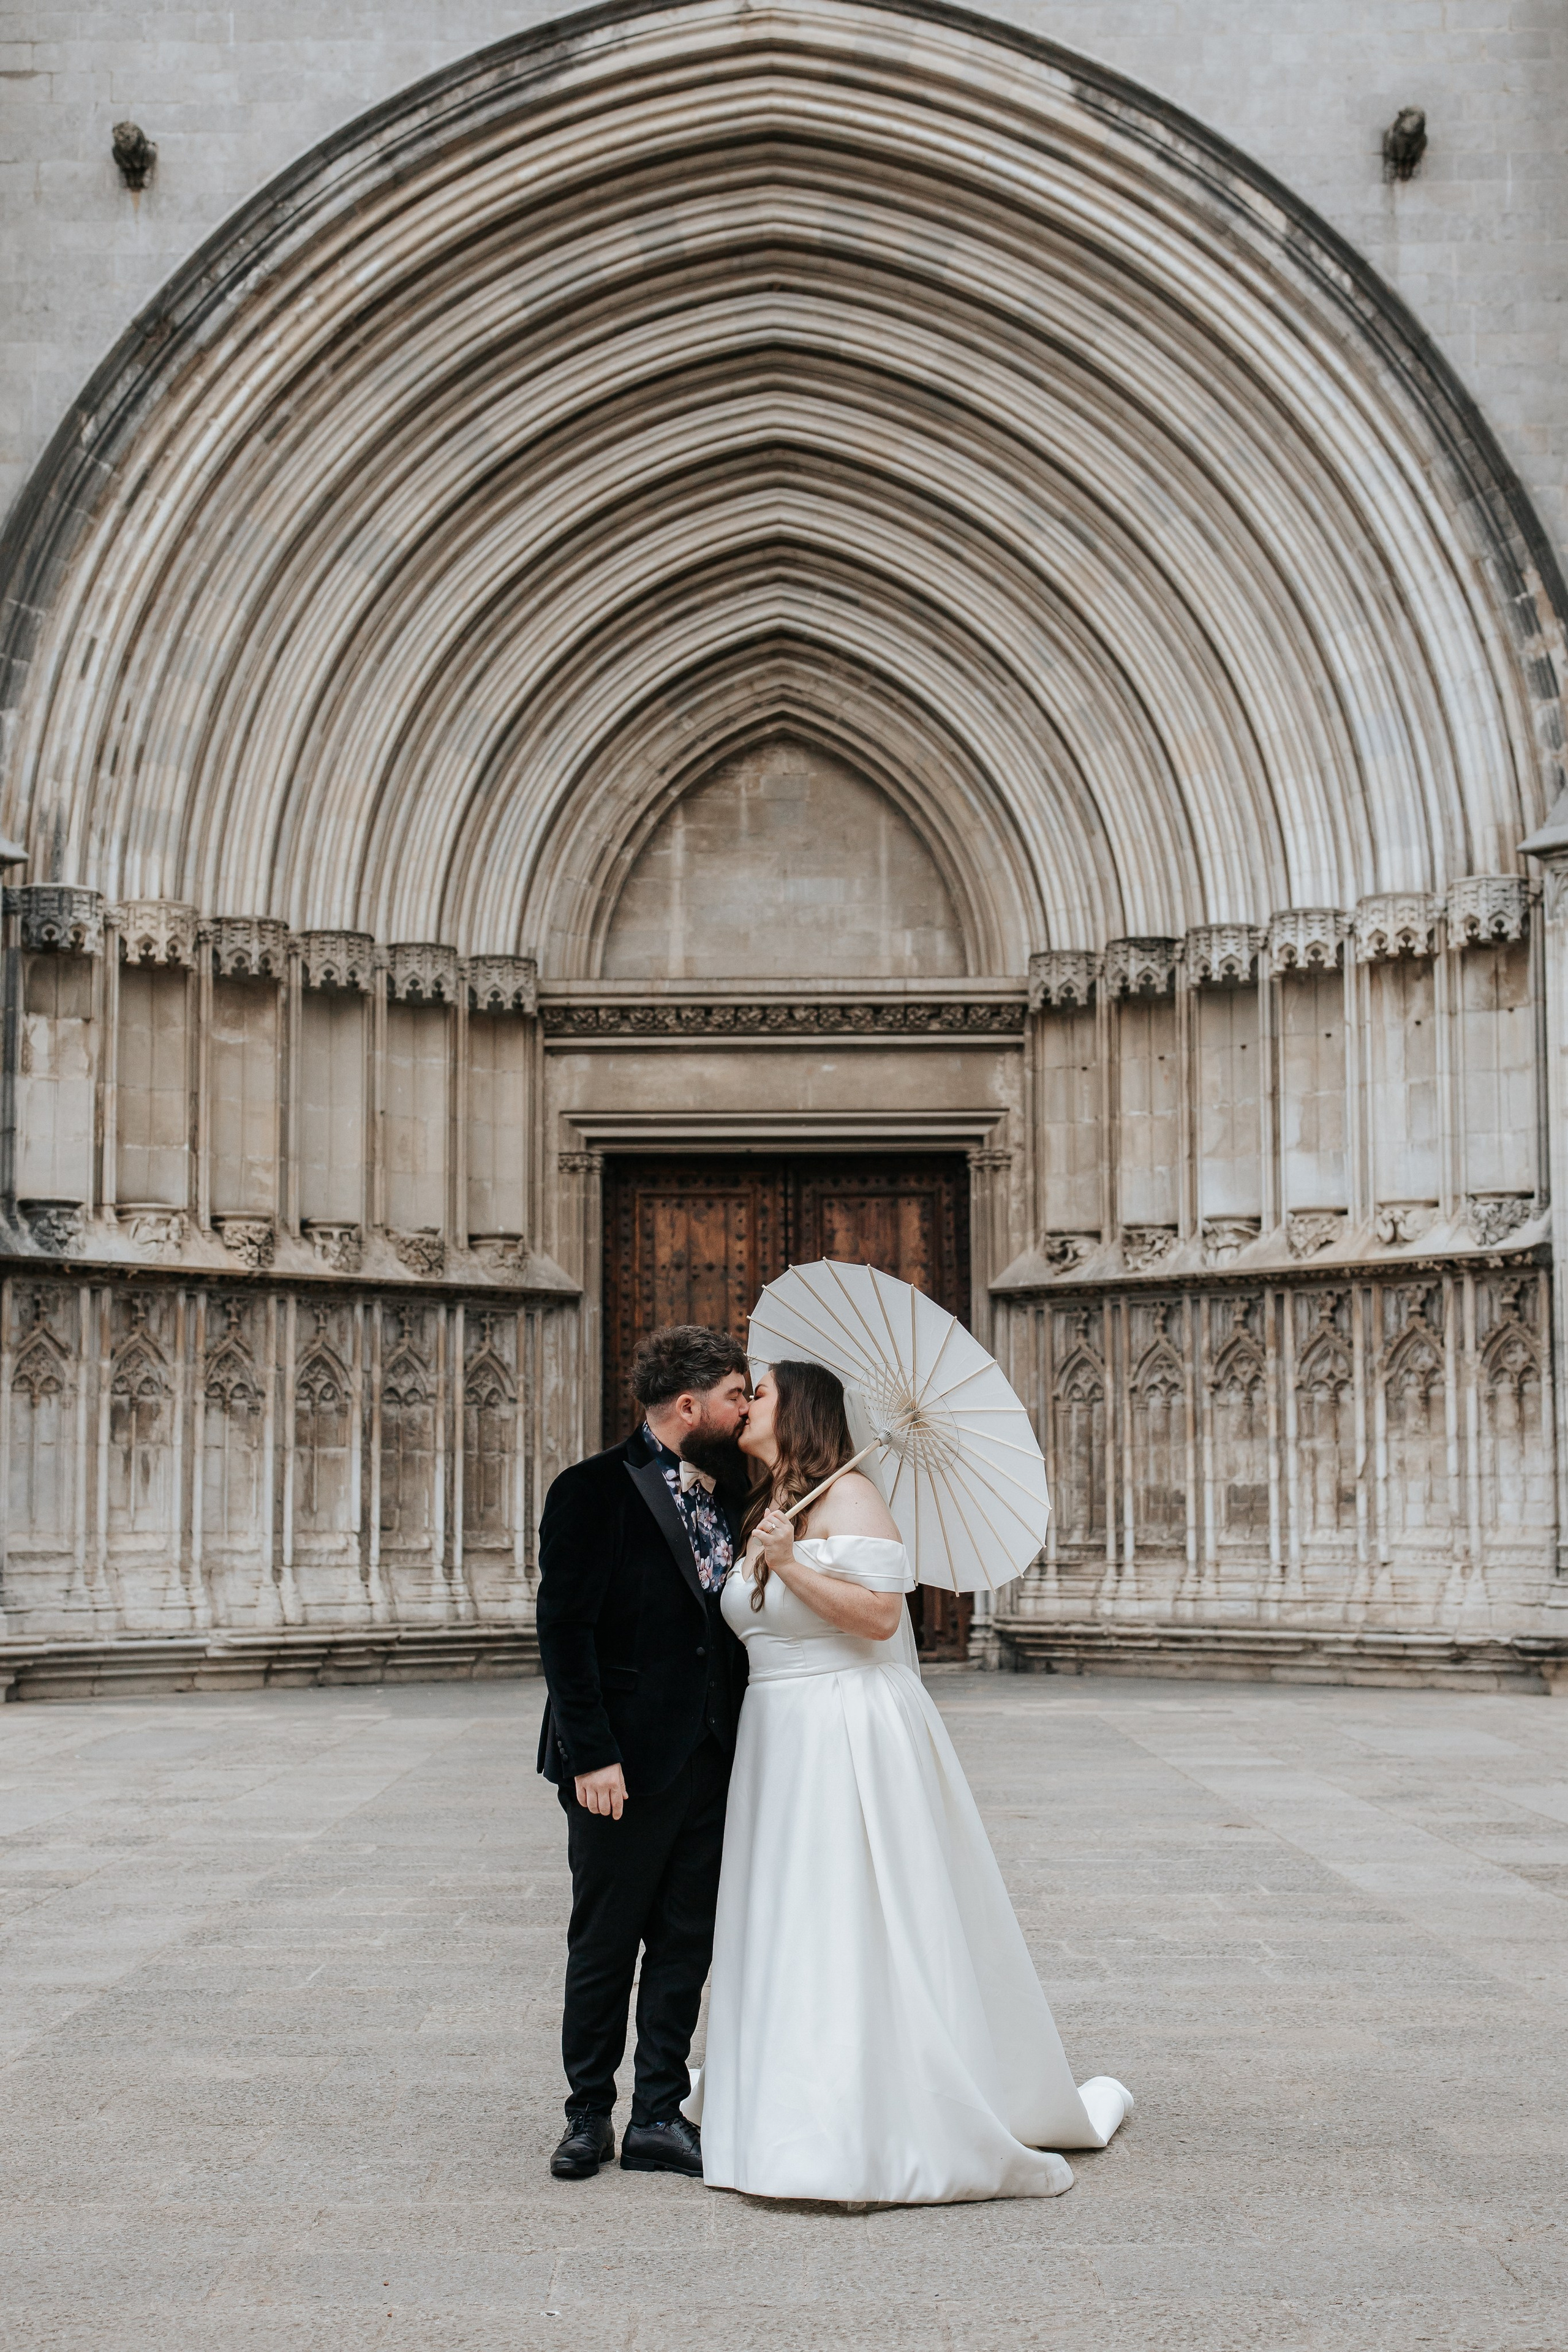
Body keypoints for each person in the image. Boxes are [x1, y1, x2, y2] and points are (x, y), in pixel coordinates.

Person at [685, 1357, 1133, 2203]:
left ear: (803, 1411)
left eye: (763, 1392)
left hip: (840, 1727)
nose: (745, 1403)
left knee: (846, 1908)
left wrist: (792, 1563)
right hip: (778, 1737)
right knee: (791, 1911)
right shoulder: (771, 1505)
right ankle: (789, 2095)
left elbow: (881, 1616)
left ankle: (868, 2114)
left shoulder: (850, 1500)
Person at [536, 1323, 752, 2181]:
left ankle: (659, 2114)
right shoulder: (591, 1488)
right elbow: (566, 1630)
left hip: (709, 1757)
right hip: (618, 1766)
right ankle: (590, 2113)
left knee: (684, 1943)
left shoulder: (737, 1493)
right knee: (604, 1942)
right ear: (690, 1403)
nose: (746, 1411)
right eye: (737, 1396)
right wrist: (592, 1756)